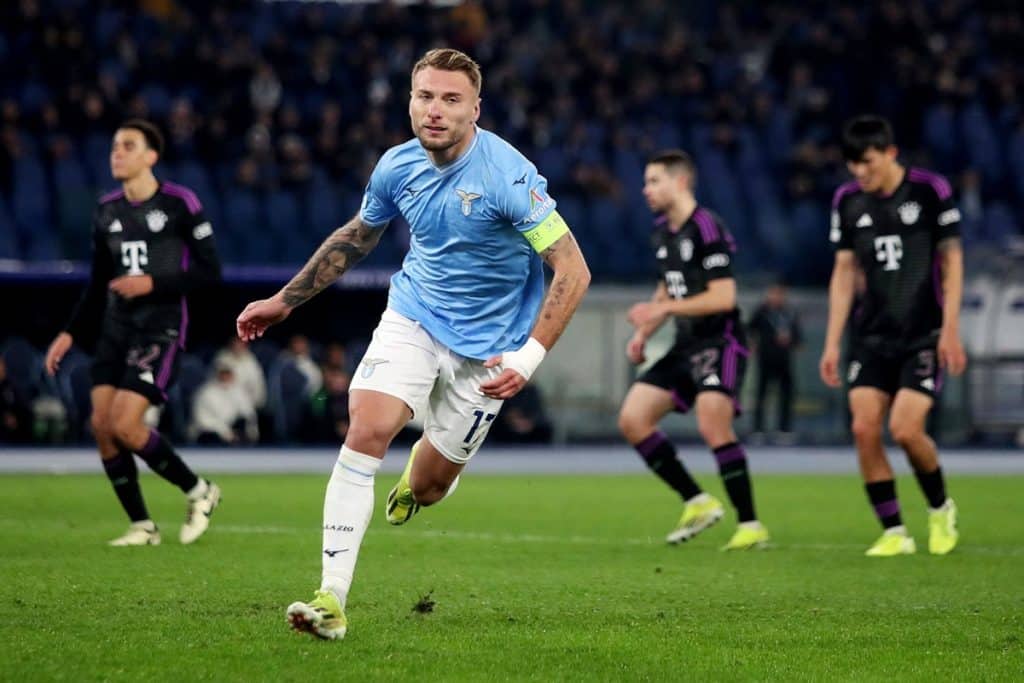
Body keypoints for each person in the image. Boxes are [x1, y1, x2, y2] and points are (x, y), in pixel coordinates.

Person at [236, 48, 590, 640]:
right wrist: (285, 300)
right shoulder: (396, 166)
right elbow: (358, 236)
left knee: (430, 486)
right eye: (425, 96)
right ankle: (331, 598)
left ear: (476, 109)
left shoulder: (508, 175)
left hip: (490, 350)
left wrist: (528, 358)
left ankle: (415, 481)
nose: (435, 110)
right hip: (415, 316)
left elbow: (573, 270)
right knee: (366, 428)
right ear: (409, 101)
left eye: (451, 99)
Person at [43, 119, 223, 546]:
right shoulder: (106, 210)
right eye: (114, 147)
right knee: (102, 424)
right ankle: (143, 525)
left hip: (159, 329)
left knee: (125, 423)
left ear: (151, 156)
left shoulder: (179, 203)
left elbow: (209, 271)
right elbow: (97, 283)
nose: (117, 153)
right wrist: (69, 333)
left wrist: (152, 284)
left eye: (128, 146)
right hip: (115, 329)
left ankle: (199, 490)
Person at [820, 115, 966, 557]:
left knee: (905, 429)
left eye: (867, 162)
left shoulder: (929, 191)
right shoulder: (847, 200)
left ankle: (940, 507)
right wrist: (831, 341)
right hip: (871, 335)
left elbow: (952, 261)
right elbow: (844, 272)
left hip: (923, 333)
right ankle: (895, 532)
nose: (859, 172)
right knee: (864, 427)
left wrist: (951, 329)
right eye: (852, 164)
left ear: (890, 153)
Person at [620, 150, 769, 550]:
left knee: (712, 423)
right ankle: (697, 501)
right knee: (633, 418)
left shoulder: (707, 227)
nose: (646, 189)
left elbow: (723, 297)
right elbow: (667, 289)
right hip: (685, 343)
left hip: (721, 340)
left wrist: (664, 309)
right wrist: (644, 333)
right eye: (646, 182)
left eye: (655, 181)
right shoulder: (662, 233)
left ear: (681, 182)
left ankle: (751, 525)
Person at [748, 283, 802, 442]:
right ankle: (758, 429)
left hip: (784, 359)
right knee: (761, 394)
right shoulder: (761, 312)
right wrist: (752, 344)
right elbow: (749, 330)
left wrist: (792, 341)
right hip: (765, 358)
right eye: (773, 293)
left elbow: (798, 336)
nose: (776, 297)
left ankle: (784, 429)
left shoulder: (790, 313)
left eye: (780, 294)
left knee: (786, 395)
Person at [190, 361, 259, 445]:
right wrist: (225, 432)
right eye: (223, 373)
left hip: (234, 435)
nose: (225, 377)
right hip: (211, 434)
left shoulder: (239, 392)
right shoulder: (204, 393)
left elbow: (248, 413)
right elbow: (202, 420)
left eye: (228, 373)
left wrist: (250, 432)